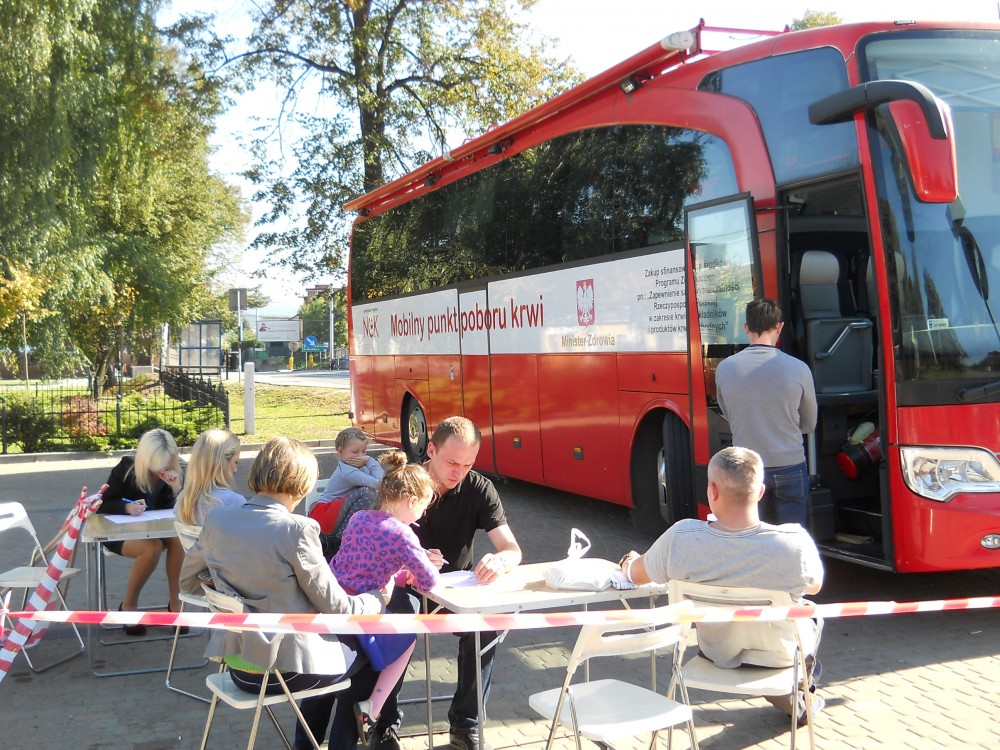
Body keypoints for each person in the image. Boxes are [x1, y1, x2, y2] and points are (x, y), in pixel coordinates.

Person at [298, 416, 521, 750]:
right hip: (401, 587)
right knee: (395, 625)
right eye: (451, 462)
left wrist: (501, 560)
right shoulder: (404, 484)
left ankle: (466, 725)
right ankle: (383, 725)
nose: (459, 471)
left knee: (487, 628)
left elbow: (511, 548)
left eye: (468, 464)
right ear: (430, 449)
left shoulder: (479, 488)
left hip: (453, 589)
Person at [179, 436, 388, 740]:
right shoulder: (297, 529)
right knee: (375, 650)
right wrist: (377, 599)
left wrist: (231, 594)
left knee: (330, 647)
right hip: (283, 673)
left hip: (236, 668)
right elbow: (338, 609)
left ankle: (308, 742)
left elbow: (187, 583)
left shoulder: (217, 519)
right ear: (303, 482)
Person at [618, 446, 825, 723]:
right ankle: (800, 694)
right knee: (811, 611)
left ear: (712, 492)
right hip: (780, 657)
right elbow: (815, 586)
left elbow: (635, 575)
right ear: (760, 492)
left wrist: (627, 561)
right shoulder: (794, 543)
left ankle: (796, 696)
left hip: (718, 654)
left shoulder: (680, 538)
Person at [331, 460, 440, 747]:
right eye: (424, 506)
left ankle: (375, 712)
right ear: (412, 500)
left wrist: (403, 569)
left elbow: (367, 560)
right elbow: (430, 583)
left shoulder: (361, 518)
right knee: (408, 639)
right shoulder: (403, 534)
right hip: (364, 616)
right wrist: (425, 563)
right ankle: (374, 709)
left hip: (335, 605)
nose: (423, 513)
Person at [714, 297, 818, 526]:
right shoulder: (799, 369)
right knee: (790, 540)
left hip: (744, 469)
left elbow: (729, 413)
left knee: (749, 538)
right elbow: (809, 424)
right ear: (779, 327)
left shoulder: (724, 369)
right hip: (790, 467)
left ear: (746, 328)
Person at [98, 428, 184, 635]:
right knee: (151, 548)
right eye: (157, 464)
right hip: (122, 532)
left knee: (178, 539)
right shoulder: (127, 467)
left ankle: (177, 607)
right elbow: (104, 503)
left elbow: (184, 512)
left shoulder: (180, 469)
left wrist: (176, 489)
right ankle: (129, 606)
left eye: (166, 462)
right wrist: (126, 507)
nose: (161, 469)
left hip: (158, 529)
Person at [310, 427, 385, 544]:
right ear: (340, 452)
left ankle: (362, 533)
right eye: (355, 452)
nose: (361, 456)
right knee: (368, 493)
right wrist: (370, 460)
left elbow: (382, 481)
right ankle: (341, 541)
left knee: (377, 494)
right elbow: (380, 483)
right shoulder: (348, 472)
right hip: (325, 515)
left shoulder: (359, 466)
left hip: (336, 512)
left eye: (364, 452)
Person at [175, 428, 244, 527]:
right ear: (222, 463)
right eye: (235, 462)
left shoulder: (182, 502)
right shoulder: (234, 502)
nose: (235, 470)